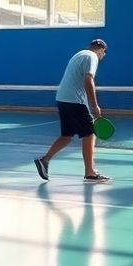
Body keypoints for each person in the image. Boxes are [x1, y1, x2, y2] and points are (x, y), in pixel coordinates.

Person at [34, 39, 110, 183]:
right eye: (104, 53)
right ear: (101, 50)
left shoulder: (79, 54)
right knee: (89, 133)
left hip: (62, 99)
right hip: (74, 101)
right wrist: (95, 105)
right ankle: (90, 173)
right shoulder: (92, 57)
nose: (103, 56)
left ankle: (44, 160)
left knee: (67, 135)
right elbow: (88, 80)